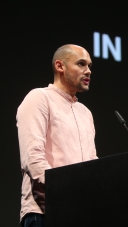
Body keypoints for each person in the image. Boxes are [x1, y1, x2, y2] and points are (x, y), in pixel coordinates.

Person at [16, 44, 98, 227]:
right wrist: (69, 191)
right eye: (81, 64)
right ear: (60, 66)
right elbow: (33, 158)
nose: (88, 71)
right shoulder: (39, 98)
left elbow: (92, 162)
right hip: (45, 213)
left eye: (90, 66)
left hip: (81, 214)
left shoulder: (85, 112)